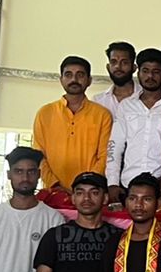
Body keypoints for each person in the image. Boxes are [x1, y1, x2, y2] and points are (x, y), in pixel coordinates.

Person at [32, 56, 112, 192]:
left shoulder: (102, 115)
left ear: (89, 80)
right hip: (53, 192)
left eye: (80, 75)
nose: (74, 79)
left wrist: (85, 186)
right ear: (61, 79)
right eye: (68, 75)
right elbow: (38, 155)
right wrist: (54, 185)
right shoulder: (45, 113)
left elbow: (105, 156)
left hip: (90, 193)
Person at [105, 48, 161, 204]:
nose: (150, 76)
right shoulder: (126, 106)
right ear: (138, 72)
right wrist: (112, 183)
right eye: (145, 71)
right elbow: (115, 146)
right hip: (128, 184)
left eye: (156, 72)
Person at [93, 41, 137, 115]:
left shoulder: (145, 97)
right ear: (108, 67)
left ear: (134, 67)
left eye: (124, 62)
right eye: (113, 62)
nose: (118, 66)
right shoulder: (98, 101)